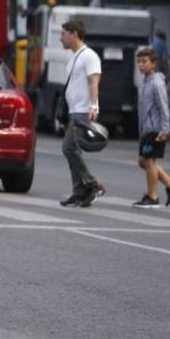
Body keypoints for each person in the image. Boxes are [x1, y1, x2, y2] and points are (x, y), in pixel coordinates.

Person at [59, 20, 105, 207]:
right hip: (73, 111)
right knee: (72, 150)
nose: (60, 38)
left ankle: (92, 184)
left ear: (74, 34)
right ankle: (80, 191)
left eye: (63, 34)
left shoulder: (89, 56)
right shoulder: (73, 57)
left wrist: (93, 106)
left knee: (68, 148)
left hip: (83, 111)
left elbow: (94, 82)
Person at [132, 48, 170, 209]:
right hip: (147, 130)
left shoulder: (156, 83)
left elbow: (163, 107)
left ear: (153, 64)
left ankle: (153, 196)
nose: (141, 65)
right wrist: (141, 131)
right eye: (139, 62)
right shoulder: (144, 83)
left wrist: (164, 130)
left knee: (147, 161)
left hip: (156, 129)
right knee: (143, 161)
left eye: (145, 62)